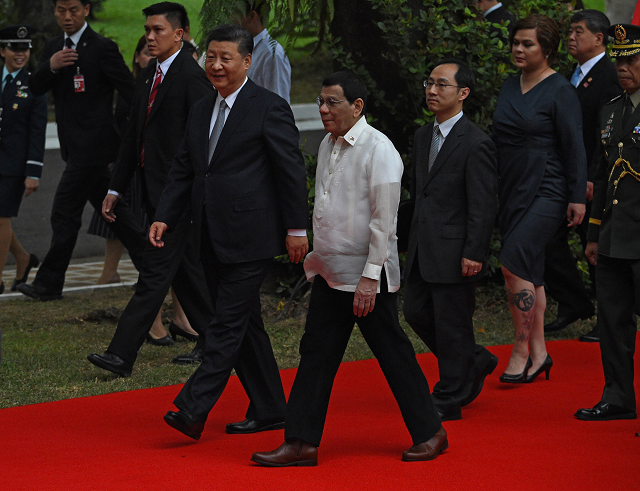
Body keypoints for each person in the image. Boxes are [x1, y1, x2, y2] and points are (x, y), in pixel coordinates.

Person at [251, 71, 446, 467]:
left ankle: (430, 432)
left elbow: (384, 223)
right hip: (329, 272)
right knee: (316, 354)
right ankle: (301, 442)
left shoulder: (380, 150)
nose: (323, 110)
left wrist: (370, 278)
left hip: (367, 278)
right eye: (320, 102)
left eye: (332, 103)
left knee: (393, 354)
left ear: (357, 106)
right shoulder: (327, 143)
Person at [155, 23, 308, 440]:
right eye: (211, 57)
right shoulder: (203, 107)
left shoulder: (269, 106)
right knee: (245, 325)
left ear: (247, 61)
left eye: (226, 58)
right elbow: (185, 167)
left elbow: (290, 172)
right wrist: (165, 215)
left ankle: (192, 407)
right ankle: (272, 407)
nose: (217, 65)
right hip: (209, 232)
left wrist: (297, 228)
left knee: (224, 324)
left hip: (251, 235)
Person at [86, 2, 214, 377]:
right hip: (155, 192)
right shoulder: (150, 74)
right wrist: (116, 188)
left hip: (179, 199)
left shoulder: (191, 77)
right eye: (147, 29)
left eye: (158, 30)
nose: (150, 36)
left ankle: (121, 354)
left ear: (180, 34)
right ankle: (218, 340)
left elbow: (201, 143)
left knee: (155, 273)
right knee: (186, 275)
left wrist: (190, 195)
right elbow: (133, 139)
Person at [17, 0, 147, 301]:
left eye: (73, 9)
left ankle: (48, 284)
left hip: (96, 147)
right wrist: (51, 66)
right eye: (61, 10)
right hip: (73, 149)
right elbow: (34, 87)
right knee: (117, 214)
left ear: (86, 9)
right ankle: (153, 265)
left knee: (64, 212)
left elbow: (130, 90)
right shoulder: (52, 46)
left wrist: (131, 132)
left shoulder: (102, 47)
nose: (67, 16)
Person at [492, 15, 587, 384]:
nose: (518, 48)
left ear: (547, 49)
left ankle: (519, 350)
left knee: (513, 262)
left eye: (527, 44)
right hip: (512, 188)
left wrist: (577, 197)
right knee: (531, 271)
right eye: (515, 42)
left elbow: (574, 147)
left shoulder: (561, 90)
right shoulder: (508, 86)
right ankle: (541, 353)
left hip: (548, 189)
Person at [402, 60, 499, 422]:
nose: (431, 90)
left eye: (441, 84)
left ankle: (450, 394)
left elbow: (483, 204)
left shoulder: (476, 143)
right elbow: (422, 195)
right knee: (416, 312)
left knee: (452, 323)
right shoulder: (423, 136)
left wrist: (474, 251)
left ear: (463, 93)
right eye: (429, 83)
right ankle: (473, 359)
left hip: (456, 249)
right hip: (423, 247)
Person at [543, 10, 622, 342]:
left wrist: (591, 176)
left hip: (593, 177)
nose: (571, 38)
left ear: (599, 38)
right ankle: (574, 301)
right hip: (563, 174)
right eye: (570, 32)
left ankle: (609, 319)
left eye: (578, 32)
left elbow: (606, 131)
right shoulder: (570, 74)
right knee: (547, 239)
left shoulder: (610, 75)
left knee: (595, 250)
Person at [575, 23, 640, 422]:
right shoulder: (612, 109)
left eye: (632, 59)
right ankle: (617, 396)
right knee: (613, 323)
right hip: (616, 237)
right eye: (618, 60)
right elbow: (603, 176)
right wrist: (595, 233)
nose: (623, 67)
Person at [0, 25, 47, 296]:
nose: (21, 54)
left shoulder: (34, 84)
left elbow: (37, 132)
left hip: (14, 166)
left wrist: (34, 172)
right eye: (15, 49)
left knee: (1, 219)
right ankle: (23, 258)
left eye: (25, 49)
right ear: (2, 50)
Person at [235, 0, 291, 102]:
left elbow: (278, 102)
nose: (233, 20)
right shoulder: (243, 48)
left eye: (237, 15)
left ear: (252, 16)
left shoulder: (271, 54)